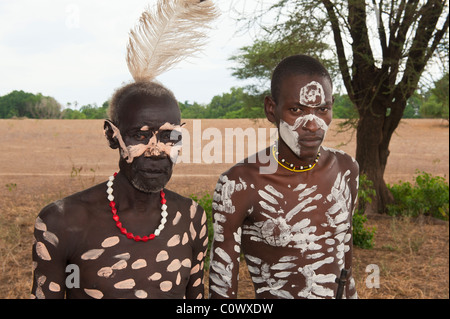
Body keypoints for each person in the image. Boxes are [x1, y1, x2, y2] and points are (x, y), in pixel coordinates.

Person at [31, 81, 208, 299]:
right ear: (112, 135)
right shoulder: (63, 221)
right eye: (140, 136)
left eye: (169, 137)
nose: (156, 151)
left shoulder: (191, 217)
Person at [208, 54, 359, 299]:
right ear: (271, 109)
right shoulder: (240, 184)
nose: (312, 125)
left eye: (322, 110)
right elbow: (222, 289)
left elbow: (346, 263)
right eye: (296, 110)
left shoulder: (345, 169)